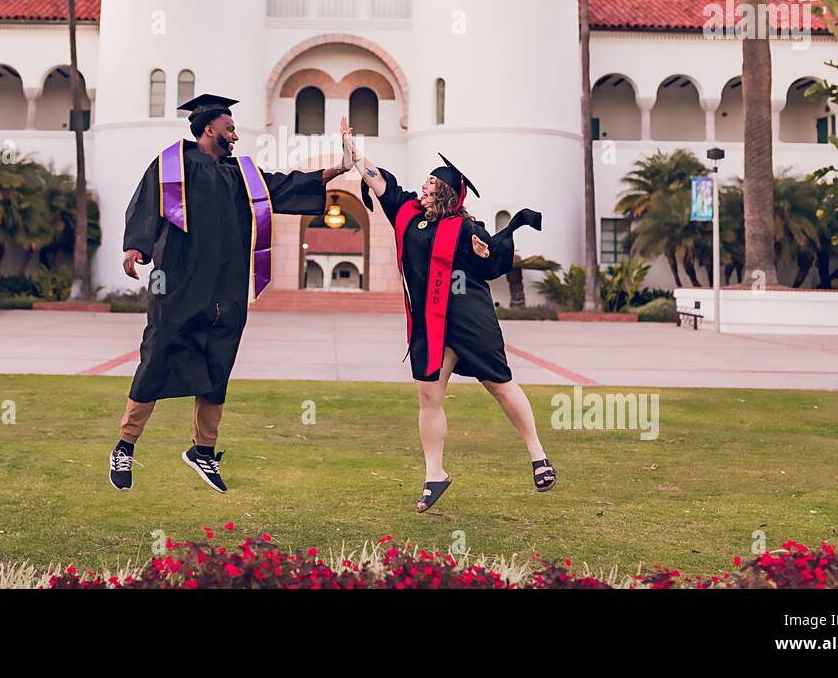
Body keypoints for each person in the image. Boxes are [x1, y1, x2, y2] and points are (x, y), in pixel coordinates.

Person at [110, 94, 352, 494]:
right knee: (156, 359)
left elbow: (286, 185)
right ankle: (125, 446)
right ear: (209, 128)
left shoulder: (242, 172)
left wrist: (338, 168)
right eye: (230, 128)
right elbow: (147, 205)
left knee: (217, 365)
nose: (236, 135)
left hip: (227, 290)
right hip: (180, 284)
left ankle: (203, 451)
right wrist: (136, 245)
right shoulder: (172, 164)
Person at [341, 118, 555, 512]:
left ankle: (538, 454)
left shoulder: (466, 228)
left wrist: (485, 253)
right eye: (424, 182)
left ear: (447, 194)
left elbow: (493, 267)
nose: (424, 187)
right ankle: (434, 474)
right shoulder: (406, 212)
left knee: (500, 385)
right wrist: (352, 147)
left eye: (431, 184)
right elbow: (376, 179)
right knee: (428, 396)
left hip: (469, 316)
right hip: (430, 323)